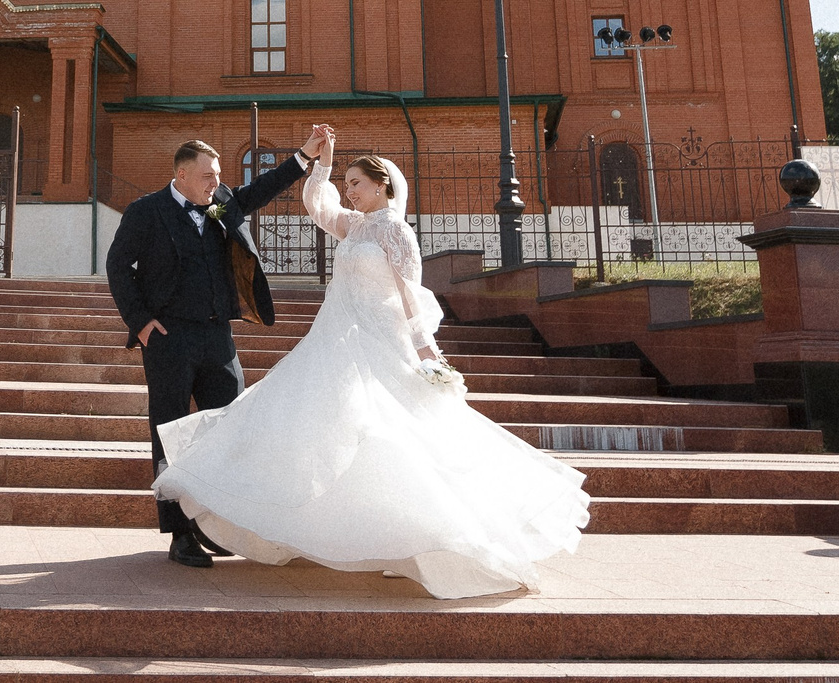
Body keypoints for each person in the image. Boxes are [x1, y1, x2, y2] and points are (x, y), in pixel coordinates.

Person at [150, 138, 590, 598]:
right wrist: (322, 164)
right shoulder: (355, 226)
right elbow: (319, 209)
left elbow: (409, 295)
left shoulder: (395, 233)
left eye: (356, 184)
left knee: (395, 437)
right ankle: (380, 541)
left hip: (380, 340)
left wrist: (425, 351)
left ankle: (427, 541)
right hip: (337, 337)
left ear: (382, 186)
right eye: (347, 184)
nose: (350, 191)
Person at [106, 128, 326, 568]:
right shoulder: (146, 211)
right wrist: (141, 322)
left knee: (227, 430)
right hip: (169, 339)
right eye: (208, 175)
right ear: (182, 175)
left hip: (217, 337)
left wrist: (304, 155)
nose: (215, 182)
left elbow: (261, 189)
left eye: (218, 175)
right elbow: (118, 265)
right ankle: (180, 534)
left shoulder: (222, 204)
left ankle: (213, 526)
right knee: (170, 433)